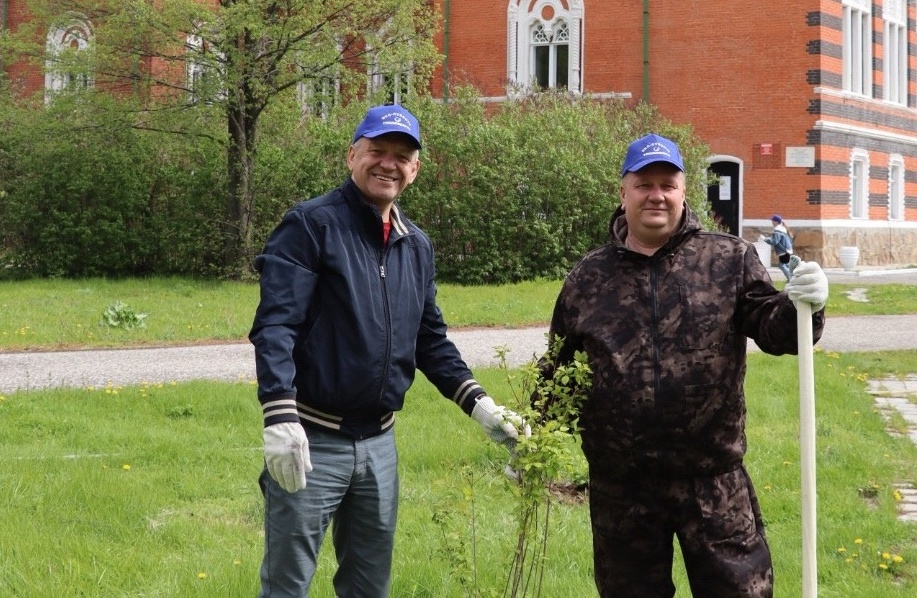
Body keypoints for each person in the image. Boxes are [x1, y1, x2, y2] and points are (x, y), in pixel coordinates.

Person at [249, 104, 526, 598]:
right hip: (311, 440)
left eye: (402, 156)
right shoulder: (311, 226)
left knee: (368, 586)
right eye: (377, 151)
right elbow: (276, 326)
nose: (388, 164)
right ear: (352, 155)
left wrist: (482, 407)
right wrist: (279, 416)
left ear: (415, 169)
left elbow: (430, 341)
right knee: (287, 585)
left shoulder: (415, 245)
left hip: (379, 446)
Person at [540, 133, 828, 598]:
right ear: (624, 193)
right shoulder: (589, 278)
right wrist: (533, 432)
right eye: (644, 184)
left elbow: (778, 332)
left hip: (711, 479)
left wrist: (805, 306)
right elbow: (558, 369)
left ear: (683, 190)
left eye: (667, 184)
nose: (656, 195)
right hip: (623, 487)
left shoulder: (728, 260)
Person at [764, 214, 794, 281]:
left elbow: (775, 241)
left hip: (783, 251)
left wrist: (765, 239)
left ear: (776, 222)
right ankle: (792, 278)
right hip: (787, 249)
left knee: (782, 266)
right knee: (786, 265)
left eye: (773, 221)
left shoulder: (777, 230)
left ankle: (791, 279)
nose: (772, 222)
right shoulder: (783, 229)